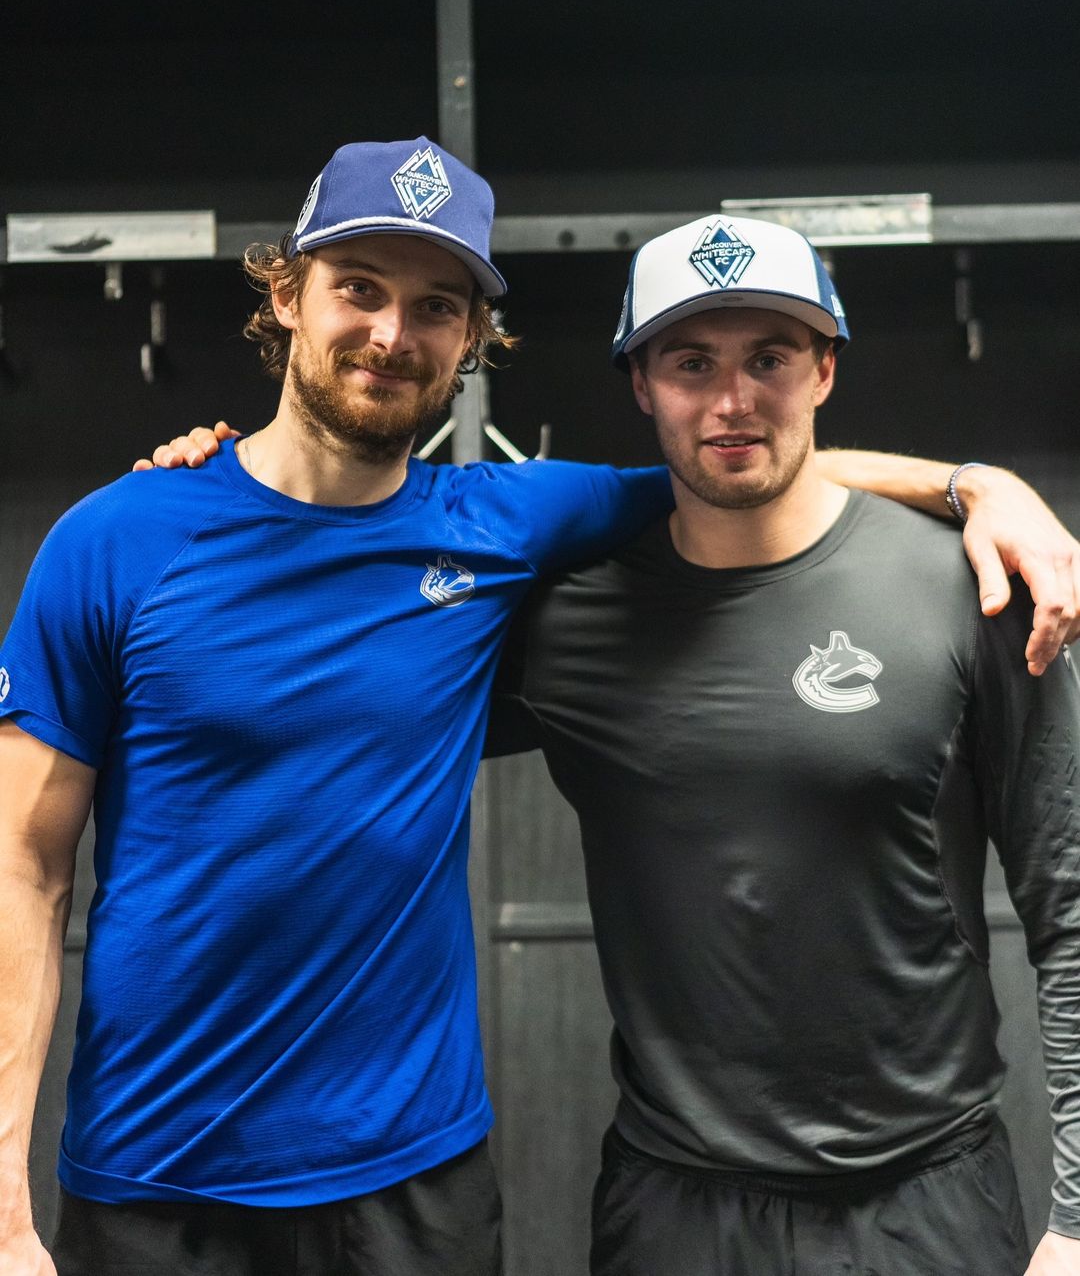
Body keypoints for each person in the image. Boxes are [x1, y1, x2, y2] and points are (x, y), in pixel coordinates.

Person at [0, 142, 1076, 1276]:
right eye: (358, 286)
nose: (390, 332)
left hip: (416, 1188)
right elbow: (21, 873)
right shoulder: (115, 538)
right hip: (158, 1183)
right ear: (286, 293)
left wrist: (979, 483)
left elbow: (742, 469)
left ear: (471, 340)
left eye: (436, 306)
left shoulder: (505, 526)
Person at [483, 213, 1080, 1275]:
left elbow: (1073, 911)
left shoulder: (970, 588)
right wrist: (209, 478)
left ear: (825, 370)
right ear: (639, 382)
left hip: (925, 1202)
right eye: (690, 362)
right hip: (674, 1211)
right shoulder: (569, 623)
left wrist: (1078, 1219)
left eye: (770, 358)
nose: (730, 400)